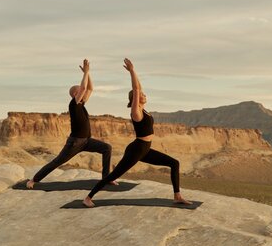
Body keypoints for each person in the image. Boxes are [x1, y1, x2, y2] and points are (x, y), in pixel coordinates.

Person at [83, 58, 190, 207]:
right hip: (136, 150)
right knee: (114, 175)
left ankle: (177, 196)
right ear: (136, 98)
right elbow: (136, 88)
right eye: (141, 94)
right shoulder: (136, 111)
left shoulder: (144, 109)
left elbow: (139, 87)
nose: (144, 94)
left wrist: (135, 72)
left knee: (174, 163)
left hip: (145, 149)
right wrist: (132, 71)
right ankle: (88, 198)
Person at [26, 59, 118, 189]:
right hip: (75, 142)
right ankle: (34, 180)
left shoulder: (81, 103)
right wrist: (85, 73)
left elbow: (90, 88)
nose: (84, 92)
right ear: (76, 94)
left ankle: (106, 178)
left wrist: (88, 73)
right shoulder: (73, 104)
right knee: (58, 161)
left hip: (86, 140)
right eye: (80, 91)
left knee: (107, 148)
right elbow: (84, 87)